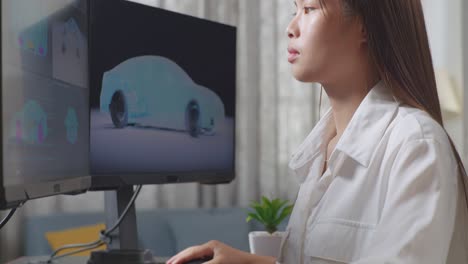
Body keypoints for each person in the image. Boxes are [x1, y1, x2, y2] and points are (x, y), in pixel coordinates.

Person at [167, 0, 468, 263]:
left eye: (309, 9)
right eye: (293, 10)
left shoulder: (416, 145)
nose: (291, 27)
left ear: (365, 26)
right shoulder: (318, 154)